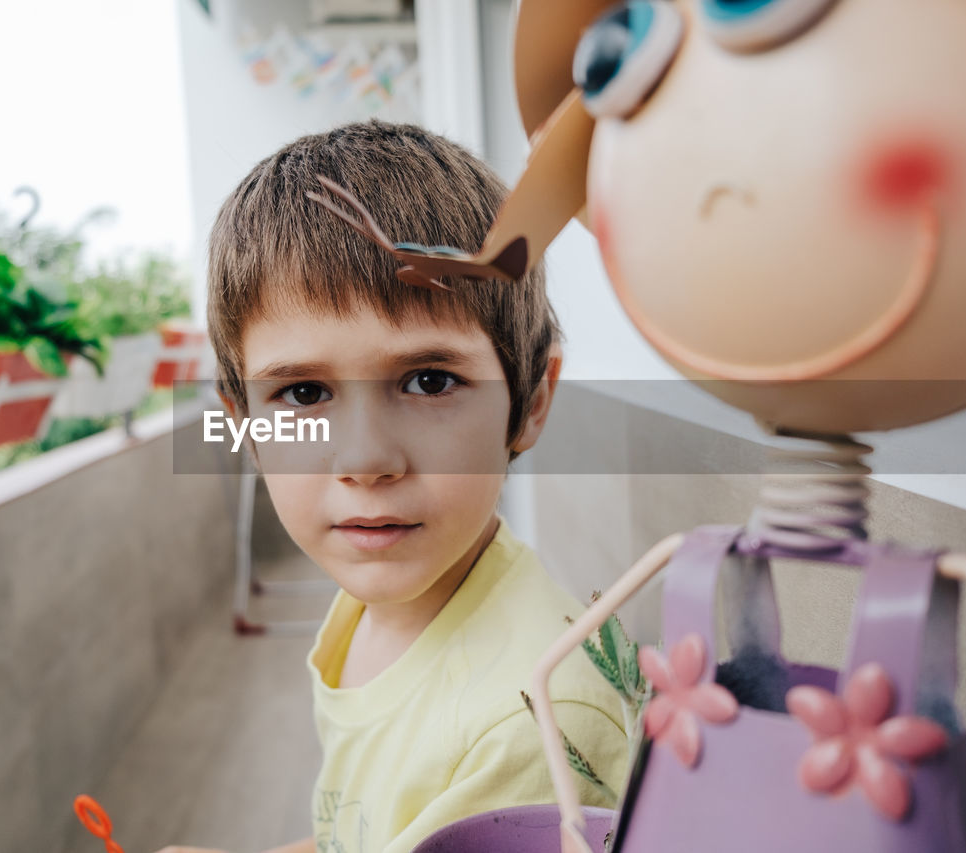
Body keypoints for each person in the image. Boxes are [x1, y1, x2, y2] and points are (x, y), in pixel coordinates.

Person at [156, 120, 628, 853]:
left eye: (429, 380)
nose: (367, 459)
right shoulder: (383, 599)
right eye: (305, 393)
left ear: (532, 399)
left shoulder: (529, 733)